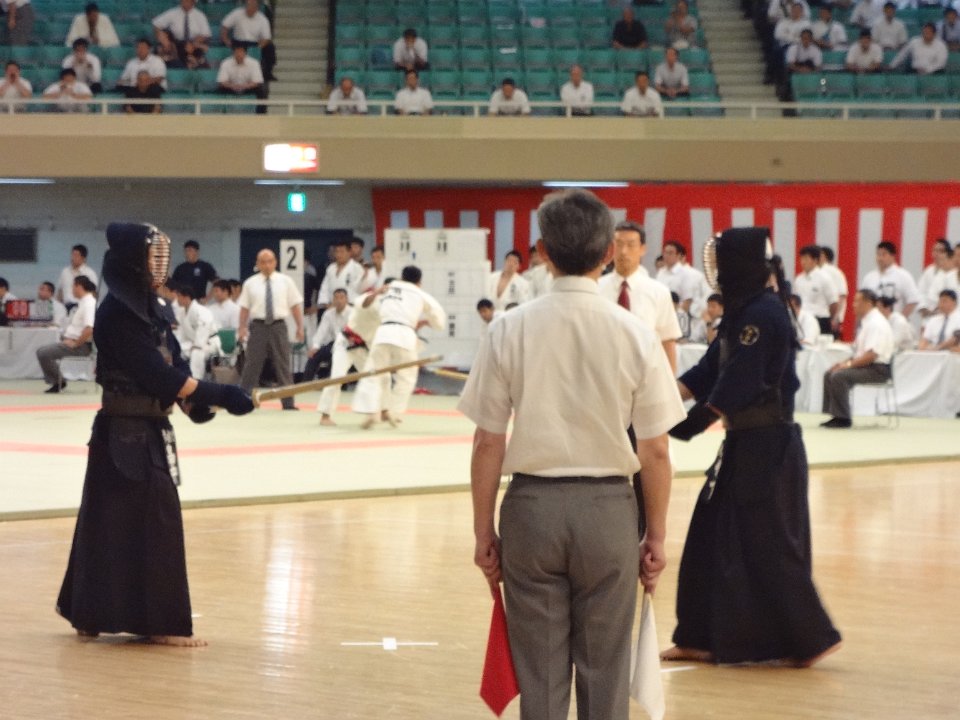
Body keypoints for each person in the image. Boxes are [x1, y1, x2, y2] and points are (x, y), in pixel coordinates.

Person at [461, 189, 683, 720]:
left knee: (539, 672)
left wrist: (483, 531)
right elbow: (655, 450)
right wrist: (655, 535)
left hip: (532, 509)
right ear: (608, 252)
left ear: (541, 251)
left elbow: (488, 440)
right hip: (609, 510)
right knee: (606, 669)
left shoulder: (508, 328)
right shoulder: (636, 333)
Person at [55, 222, 254, 647]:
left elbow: (174, 365)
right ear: (133, 261)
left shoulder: (155, 309)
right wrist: (221, 393)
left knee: (127, 520)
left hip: (150, 427)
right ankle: (124, 617)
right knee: (118, 522)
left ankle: (96, 613)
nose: (159, 264)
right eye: (151, 256)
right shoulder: (115, 314)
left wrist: (194, 405)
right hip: (122, 433)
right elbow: (156, 374)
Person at [663, 226, 842, 666]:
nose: (717, 271)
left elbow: (740, 381)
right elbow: (707, 371)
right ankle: (701, 636)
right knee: (709, 536)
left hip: (769, 447)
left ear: (739, 266)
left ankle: (811, 638)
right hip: (743, 444)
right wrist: (658, 398)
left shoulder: (765, 313)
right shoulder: (742, 312)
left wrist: (690, 422)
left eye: (722, 262)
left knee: (770, 544)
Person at [353, 266, 445, 429]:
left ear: (401, 277)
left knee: (372, 373)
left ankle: (371, 412)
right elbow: (438, 318)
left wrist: (377, 292)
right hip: (405, 335)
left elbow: (363, 304)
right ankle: (394, 412)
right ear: (419, 281)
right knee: (407, 376)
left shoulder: (388, 288)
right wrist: (432, 323)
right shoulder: (419, 293)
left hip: (383, 333)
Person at [237, 249, 305, 411]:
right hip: (258, 326)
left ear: (275, 262)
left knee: (283, 364)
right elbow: (244, 308)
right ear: (258, 264)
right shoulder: (250, 283)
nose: (267, 265)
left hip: (278, 326)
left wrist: (300, 327)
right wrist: (242, 327)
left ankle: (288, 403)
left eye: (269, 261)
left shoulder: (286, 281)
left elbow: (295, 305)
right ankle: (244, 400)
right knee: (252, 364)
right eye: (263, 262)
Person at [821, 288, 895, 428]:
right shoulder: (867, 322)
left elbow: (872, 355)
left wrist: (848, 365)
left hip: (878, 369)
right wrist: (842, 363)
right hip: (867, 365)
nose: (853, 305)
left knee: (839, 376)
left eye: (857, 301)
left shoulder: (876, 323)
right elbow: (859, 353)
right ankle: (835, 414)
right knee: (830, 372)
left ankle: (843, 418)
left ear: (868, 303)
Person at [316, 284, 381, 426]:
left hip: (364, 348)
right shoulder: (366, 300)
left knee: (372, 377)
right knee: (337, 377)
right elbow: (366, 302)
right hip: (346, 343)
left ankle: (372, 413)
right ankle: (325, 415)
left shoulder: (389, 312)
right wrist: (377, 292)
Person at [36, 276, 97, 393]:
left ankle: (58, 382)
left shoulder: (89, 304)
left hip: (81, 346)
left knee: (43, 353)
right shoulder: (83, 303)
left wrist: (76, 343)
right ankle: (58, 381)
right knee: (42, 351)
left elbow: (89, 329)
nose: (72, 290)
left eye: (73, 286)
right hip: (74, 342)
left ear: (79, 286)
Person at [221, 0, 277, 81]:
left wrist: (257, 48)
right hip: (239, 41)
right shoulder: (237, 13)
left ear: (257, 8)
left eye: (253, 6)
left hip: (255, 43)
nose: (250, 8)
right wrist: (226, 40)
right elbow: (225, 26)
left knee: (270, 47)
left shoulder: (263, 19)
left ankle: (267, 73)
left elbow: (266, 38)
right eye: (249, 5)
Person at [861, 241, 920, 318]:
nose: (880, 258)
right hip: (872, 322)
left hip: (894, 322)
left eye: (884, 254)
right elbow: (862, 301)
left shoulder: (903, 276)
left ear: (892, 256)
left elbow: (912, 300)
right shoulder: (869, 278)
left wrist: (900, 319)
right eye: (878, 254)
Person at [173, 284, 220, 378]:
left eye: (179, 296)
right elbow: (181, 332)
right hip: (192, 342)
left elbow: (204, 328)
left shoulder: (202, 311)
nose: (177, 299)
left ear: (186, 297)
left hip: (208, 342)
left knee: (197, 353)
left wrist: (197, 345)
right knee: (177, 350)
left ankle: (196, 379)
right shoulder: (181, 313)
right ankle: (180, 378)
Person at [303, 287, 349, 381]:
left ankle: (339, 385)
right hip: (334, 343)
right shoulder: (328, 314)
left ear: (347, 300)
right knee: (314, 356)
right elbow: (321, 332)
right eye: (336, 298)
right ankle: (305, 384)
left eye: (341, 298)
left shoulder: (352, 312)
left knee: (338, 358)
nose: (339, 301)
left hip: (349, 344)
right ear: (333, 300)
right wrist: (315, 347)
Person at [152, 0, 212, 70]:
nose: (185, 2)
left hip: (193, 45)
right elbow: (156, 24)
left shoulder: (200, 15)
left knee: (200, 61)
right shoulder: (172, 13)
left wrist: (193, 44)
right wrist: (164, 40)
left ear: (193, 2)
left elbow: (206, 34)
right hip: (176, 44)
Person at [794, 245, 839, 334]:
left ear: (815, 260)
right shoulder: (798, 279)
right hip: (801, 320)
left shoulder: (825, 278)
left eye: (806, 259)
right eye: (801, 259)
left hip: (820, 319)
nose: (803, 262)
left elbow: (833, 302)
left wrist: (831, 318)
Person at [216, 44, 268, 114]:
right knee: (220, 90)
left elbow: (256, 82)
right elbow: (222, 81)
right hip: (231, 87)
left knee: (261, 91)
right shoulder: (226, 62)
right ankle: (220, 114)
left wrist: (244, 86)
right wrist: (232, 86)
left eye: (241, 52)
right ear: (233, 53)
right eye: (236, 52)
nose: (239, 55)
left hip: (248, 87)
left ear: (245, 53)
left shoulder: (254, 63)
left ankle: (260, 115)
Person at [318, 238, 364, 307]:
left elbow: (356, 289)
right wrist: (325, 303)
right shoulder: (331, 268)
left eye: (342, 252)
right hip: (331, 306)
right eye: (337, 252)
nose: (339, 255)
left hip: (350, 306)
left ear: (349, 252)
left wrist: (342, 303)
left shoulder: (357, 268)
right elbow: (325, 287)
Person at [917, 239, 957, 317]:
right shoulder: (929, 271)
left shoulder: (953, 273)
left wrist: (938, 308)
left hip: (947, 314)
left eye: (940, 251)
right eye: (935, 250)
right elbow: (921, 292)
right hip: (928, 314)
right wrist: (923, 307)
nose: (937, 254)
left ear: (948, 254)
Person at [818, 246, 849, 334]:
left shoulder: (833, 272)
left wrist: (835, 318)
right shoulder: (837, 272)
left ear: (824, 256)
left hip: (829, 317)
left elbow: (841, 296)